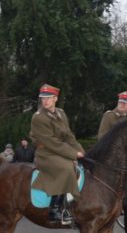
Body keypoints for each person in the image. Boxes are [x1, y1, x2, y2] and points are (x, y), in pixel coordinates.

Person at [30, 83, 85, 224]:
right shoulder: (38, 117)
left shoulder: (61, 113)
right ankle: (54, 210)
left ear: (55, 98)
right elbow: (51, 142)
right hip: (46, 154)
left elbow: (68, 136)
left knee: (84, 165)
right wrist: (73, 154)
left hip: (59, 151)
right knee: (66, 168)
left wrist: (81, 151)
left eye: (48, 98)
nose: (45, 101)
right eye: (43, 98)